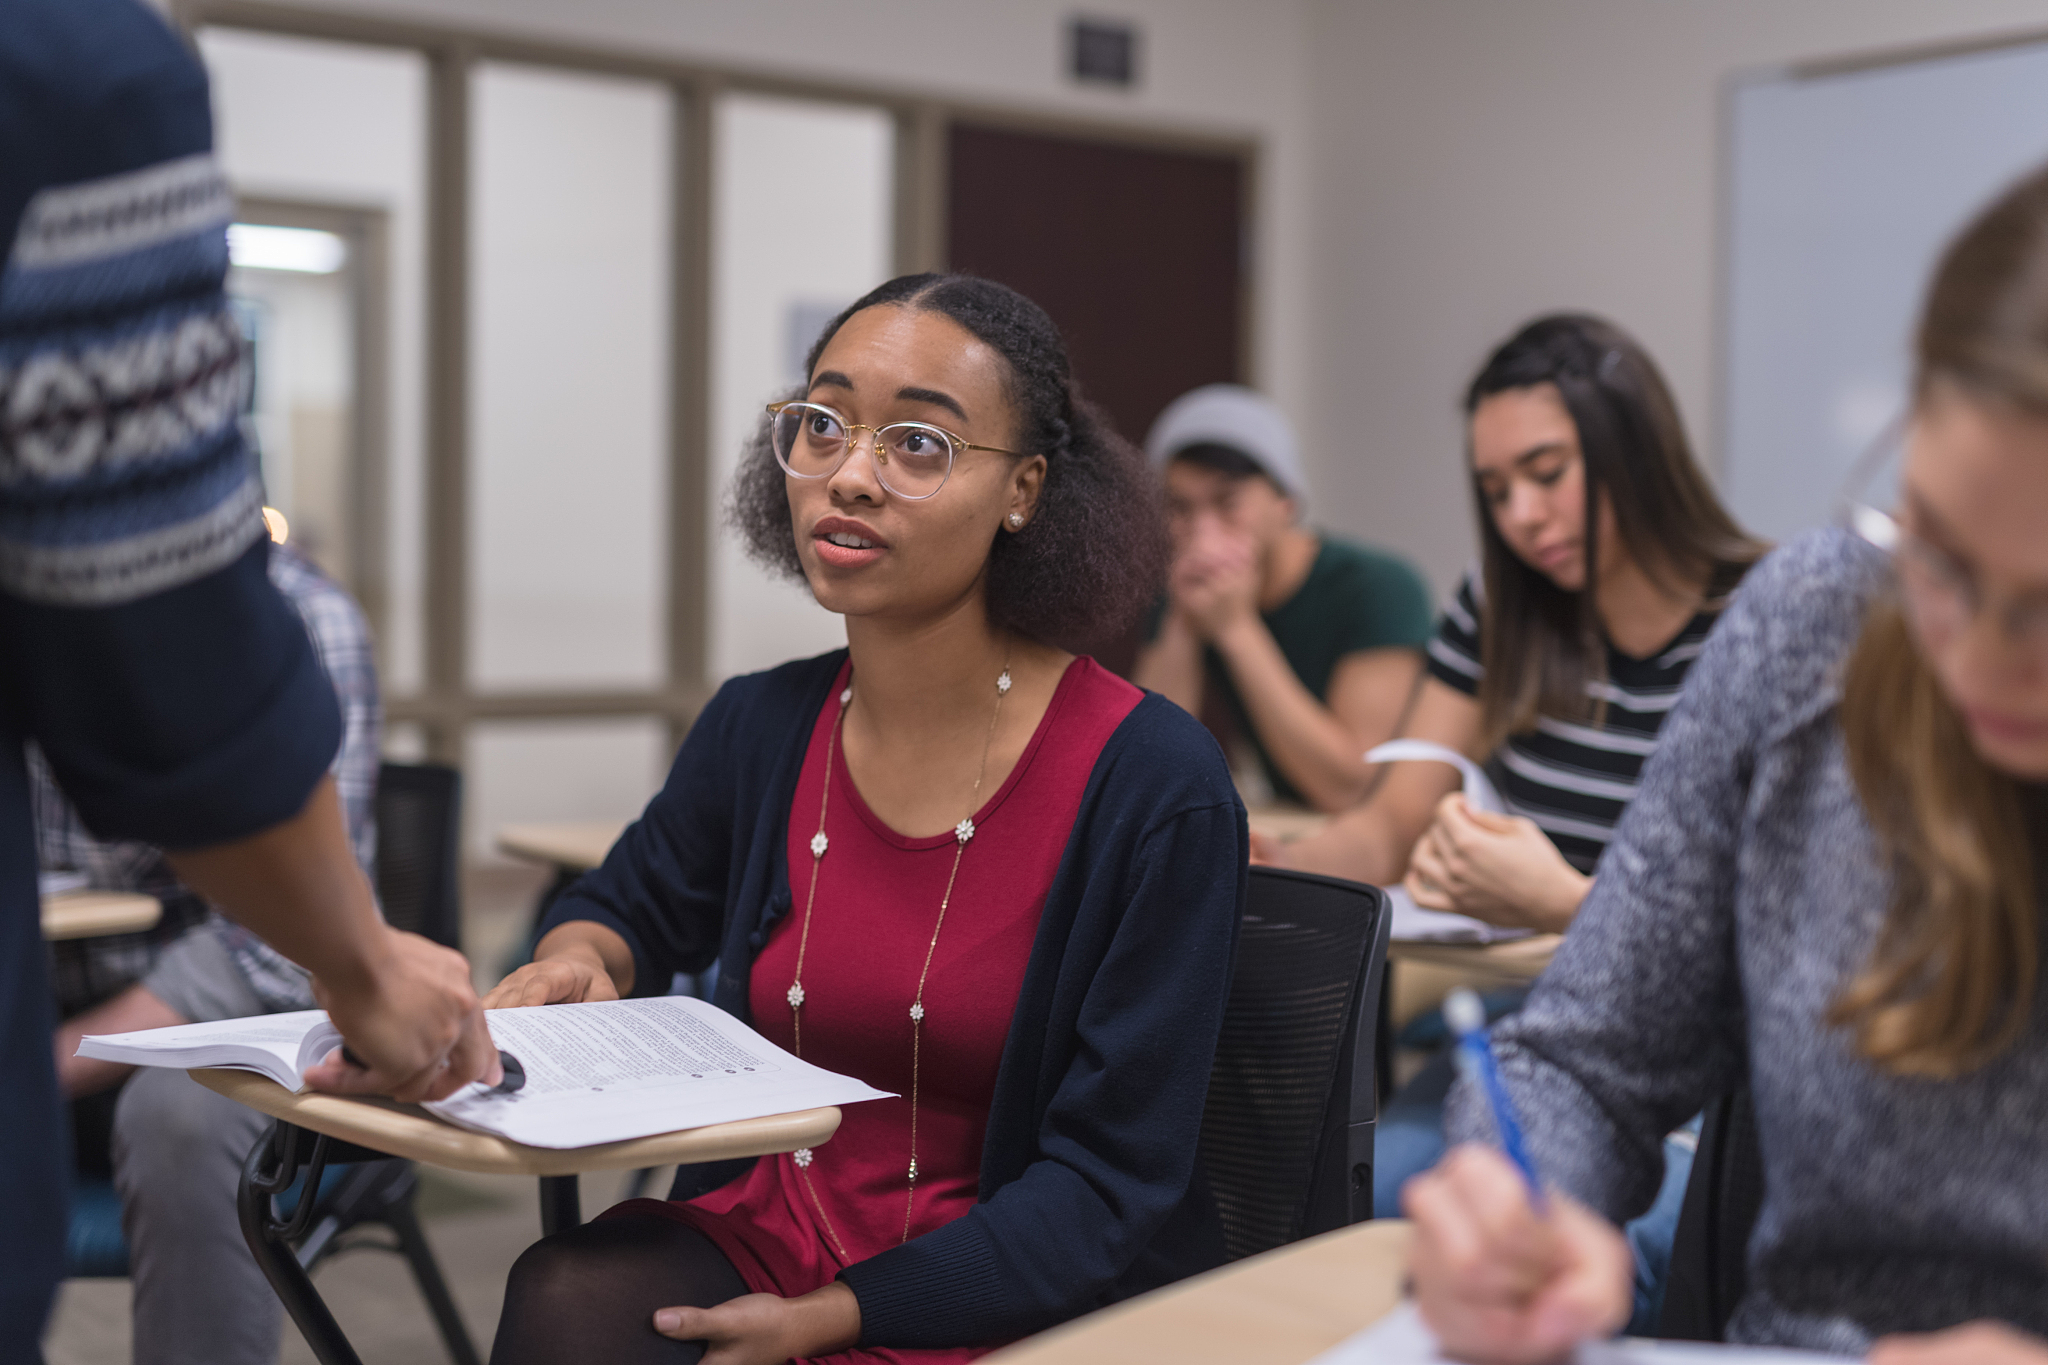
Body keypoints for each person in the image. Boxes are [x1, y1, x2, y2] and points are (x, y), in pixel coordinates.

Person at [480, 273, 1245, 1365]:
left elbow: (1106, 1188)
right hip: (774, 1231)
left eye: (916, 445)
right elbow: (624, 904)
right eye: (824, 424)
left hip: (1022, 1285)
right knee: (566, 1295)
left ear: (1023, 490)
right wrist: (578, 956)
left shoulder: (1153, 782)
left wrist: (840, 1317)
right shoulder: (762, 723)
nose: (849, 476)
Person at [1407, 161, 2048, 1363]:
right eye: (1940, 557)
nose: (1971, 657)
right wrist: (1519, 1198)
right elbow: (1582, 1062)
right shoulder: (1814, 623)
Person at [1, 0, 494, 1339]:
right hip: (79, 982)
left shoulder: (305, 621)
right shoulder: (77, 80)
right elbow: (174, 676)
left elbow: (247, 935)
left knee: (182, 1104)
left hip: (186, 984)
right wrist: (371, 970)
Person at [1264, 315, 1764, 1327]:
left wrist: (1562, 900)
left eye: (1546, 472)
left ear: (1631, 446)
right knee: (1376, 1211)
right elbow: (1393, 821)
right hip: (1517, 1031)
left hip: (1686, 1059)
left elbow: (1769, 943)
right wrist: (1277, 865)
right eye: (1494, 491)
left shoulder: (1761, 623)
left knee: (1604, 1252)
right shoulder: (1501, 603)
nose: (1523, 516)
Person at [44, 540, 379, 1365]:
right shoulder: (35, 621)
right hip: (48, 999)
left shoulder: (300, 624)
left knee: (178, 1120)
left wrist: (48, 1060)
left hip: (243, 1030)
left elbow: (282, 939)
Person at [1132, 385, 1434, 811]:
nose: (1203, 533)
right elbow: (1144, 774)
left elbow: (1350, 790)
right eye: (1180, 508)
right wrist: (1183, 622)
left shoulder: (1376, 588)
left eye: (1227, 502)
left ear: (1286, 501)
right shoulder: (1187, 594)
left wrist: (1237, 629)